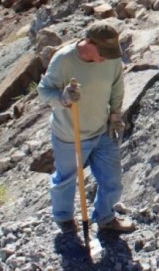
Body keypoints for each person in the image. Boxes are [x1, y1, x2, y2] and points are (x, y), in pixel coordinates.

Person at [38, 21, 134, 235]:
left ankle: (106, 217)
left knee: (112, 179)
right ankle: (64, 220)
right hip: (69, 134)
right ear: (89, 43)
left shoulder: (111, 59)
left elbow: (117, 85)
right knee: (65, 180)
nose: (106, 59)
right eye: (103, 53)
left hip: (102, 130)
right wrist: (62, 98)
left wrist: (115, 115)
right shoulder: (63, 60)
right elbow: (44, 91)